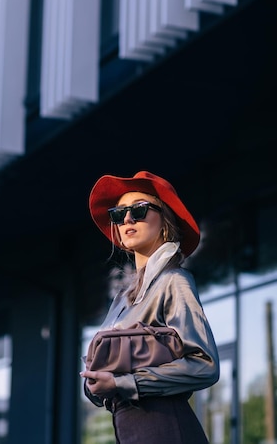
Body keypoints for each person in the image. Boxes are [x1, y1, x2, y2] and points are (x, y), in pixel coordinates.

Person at [80, 170, 219, 444]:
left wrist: (123, 383)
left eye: (140, 210)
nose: (127, 219)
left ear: (165, 221)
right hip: (130, 430)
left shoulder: (174, 280)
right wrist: (96, 384)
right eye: (119, 214)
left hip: (166, 428)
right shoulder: (122, 300)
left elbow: (206, 365)